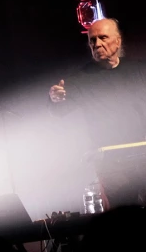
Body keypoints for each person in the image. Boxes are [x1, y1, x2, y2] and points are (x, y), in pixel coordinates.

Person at [48, 17, 146, 208]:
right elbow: (59, 111)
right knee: (123, 214)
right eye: (92, 40)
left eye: (103, 37)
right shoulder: (81, 79)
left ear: (117, 41)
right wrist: (54, 99)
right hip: (112, 164)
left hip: (144, 155)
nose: (97, 44)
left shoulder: (140, 70)